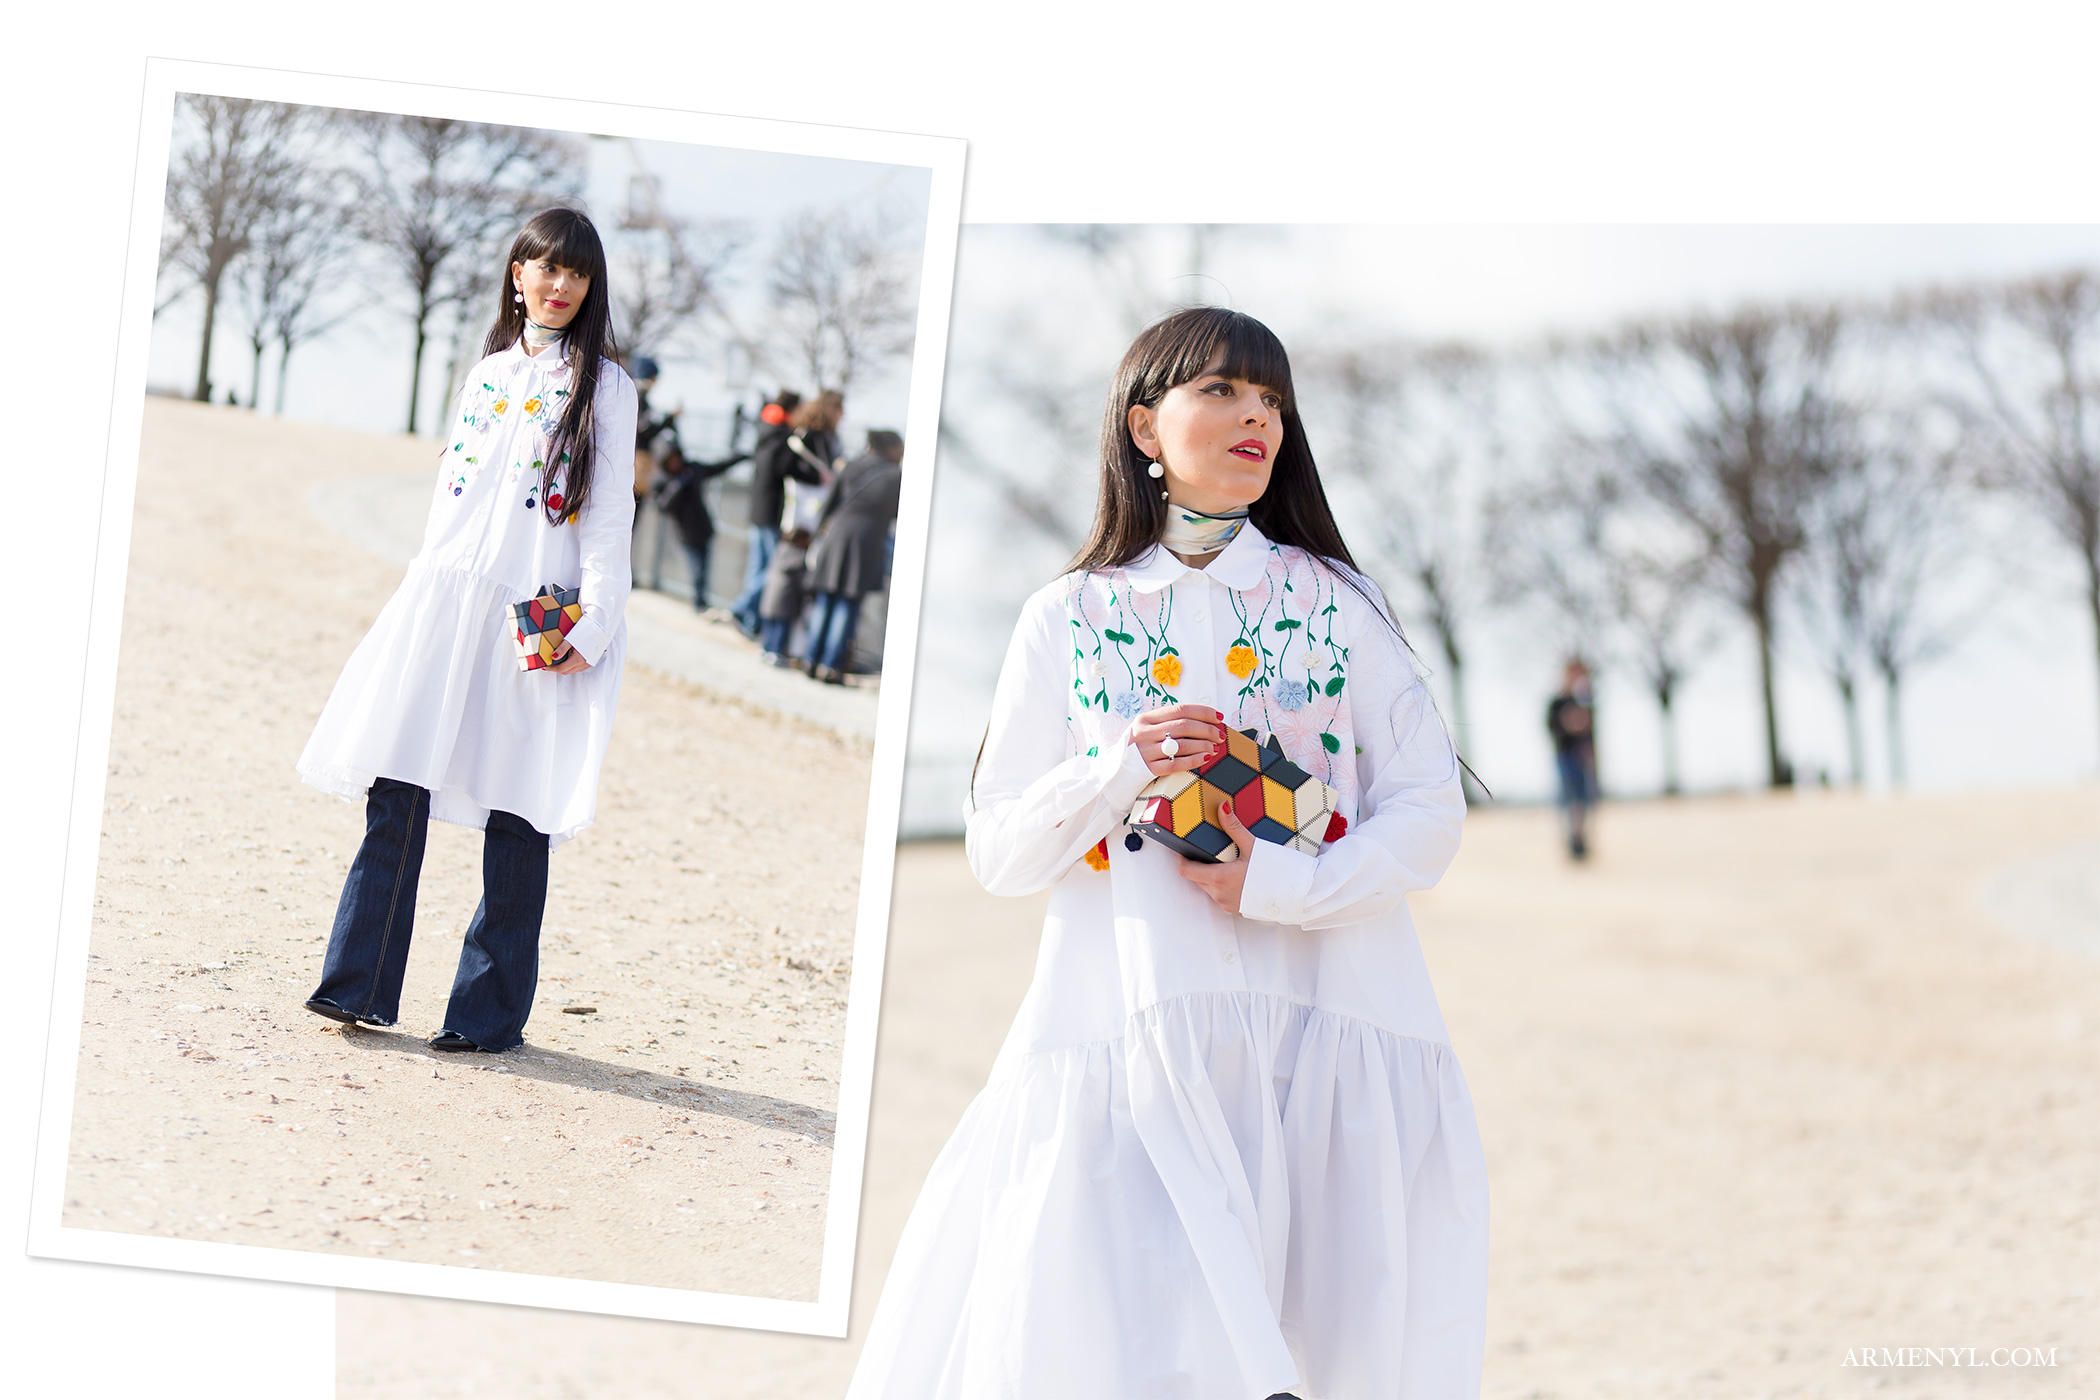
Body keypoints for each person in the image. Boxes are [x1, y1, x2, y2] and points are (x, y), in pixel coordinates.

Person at [848, 309, 1487, 1399]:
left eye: (1272, 400)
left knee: (1319, 1351)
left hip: (1321, 1036)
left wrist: (1282, 884)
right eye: (1225, 391)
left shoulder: (1338, 602)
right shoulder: (1070, 617)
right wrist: (1117, 763)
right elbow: (1000, 846)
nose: (1256, 417)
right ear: (1144, 424)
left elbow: (1427, 808)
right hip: (1130, 1030)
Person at [295, 208, 638, 1054]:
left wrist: (591, 628)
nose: (557, 284)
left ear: (589, 288)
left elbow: (607, 519)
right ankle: (359, 987)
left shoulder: (606, 386)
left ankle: (486, 1018)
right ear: (517, 274)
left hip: (534, 615)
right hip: (443, 603)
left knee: (519, 809)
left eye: (575, 273)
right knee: (397, 780)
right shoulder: (485, 371)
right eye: (543, 267)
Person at [802, 428, 903, 683]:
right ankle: (830, 666)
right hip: (868, 541)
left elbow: (829, 504)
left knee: (825, 598)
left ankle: (809, 659)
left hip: (837, 535)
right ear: (891, 448)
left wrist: (817, 536)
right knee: (848, 603)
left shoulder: (853, 465)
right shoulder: (896, 476)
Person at [754, 391, 844, 664]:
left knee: (779, 584)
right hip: (799, 524)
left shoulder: (808, 438)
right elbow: (789, 470)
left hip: (797, 523)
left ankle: (772, 643)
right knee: (783, 586)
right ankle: (772, 644)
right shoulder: (805, 439)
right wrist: (819, 477)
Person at [729, 389, 810, 636]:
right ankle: (741, 608)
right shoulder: (782, 435)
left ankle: (750, 621)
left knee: (758, 567)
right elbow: (787, 468)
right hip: (771, 510)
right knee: (770, 568)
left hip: (758, 508)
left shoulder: (766, 429)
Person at [1547, 657, 1599, 860]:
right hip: (1565, 757)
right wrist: (1569, 724)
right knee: (1569, 802)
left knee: (1585, 802)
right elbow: (1552, 728)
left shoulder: (1585, 701)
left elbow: (1591, 733)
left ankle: (1582, 842)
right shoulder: (1557, 703)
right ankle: (1571, 844)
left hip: (1583, 760)